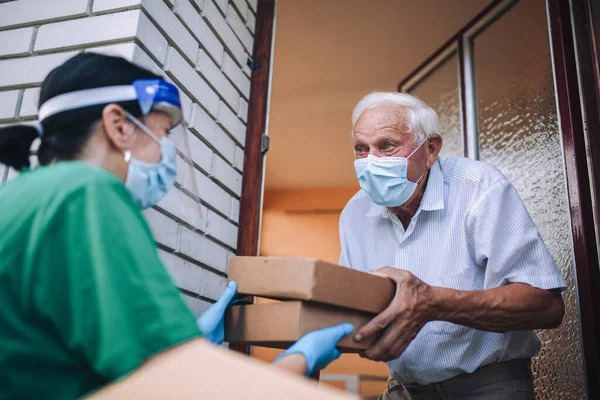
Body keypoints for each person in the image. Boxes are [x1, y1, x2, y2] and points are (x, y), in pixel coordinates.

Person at [0, 53, 352, 399]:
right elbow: (178, 389)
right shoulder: (87, 193)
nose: (165, 150)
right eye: (163, 132)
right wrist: (297, 360)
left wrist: (186, 342)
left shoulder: (18, 196)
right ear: (118, 125)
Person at [338, 92, 567, 400]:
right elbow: (349, 306)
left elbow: (546, 306)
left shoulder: (479, 187)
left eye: (387, 145)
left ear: (430, 149)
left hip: (487, 387)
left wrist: (434, 302)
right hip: (404, 389)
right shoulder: (354, 213)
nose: (371, 162)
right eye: (361, 149)